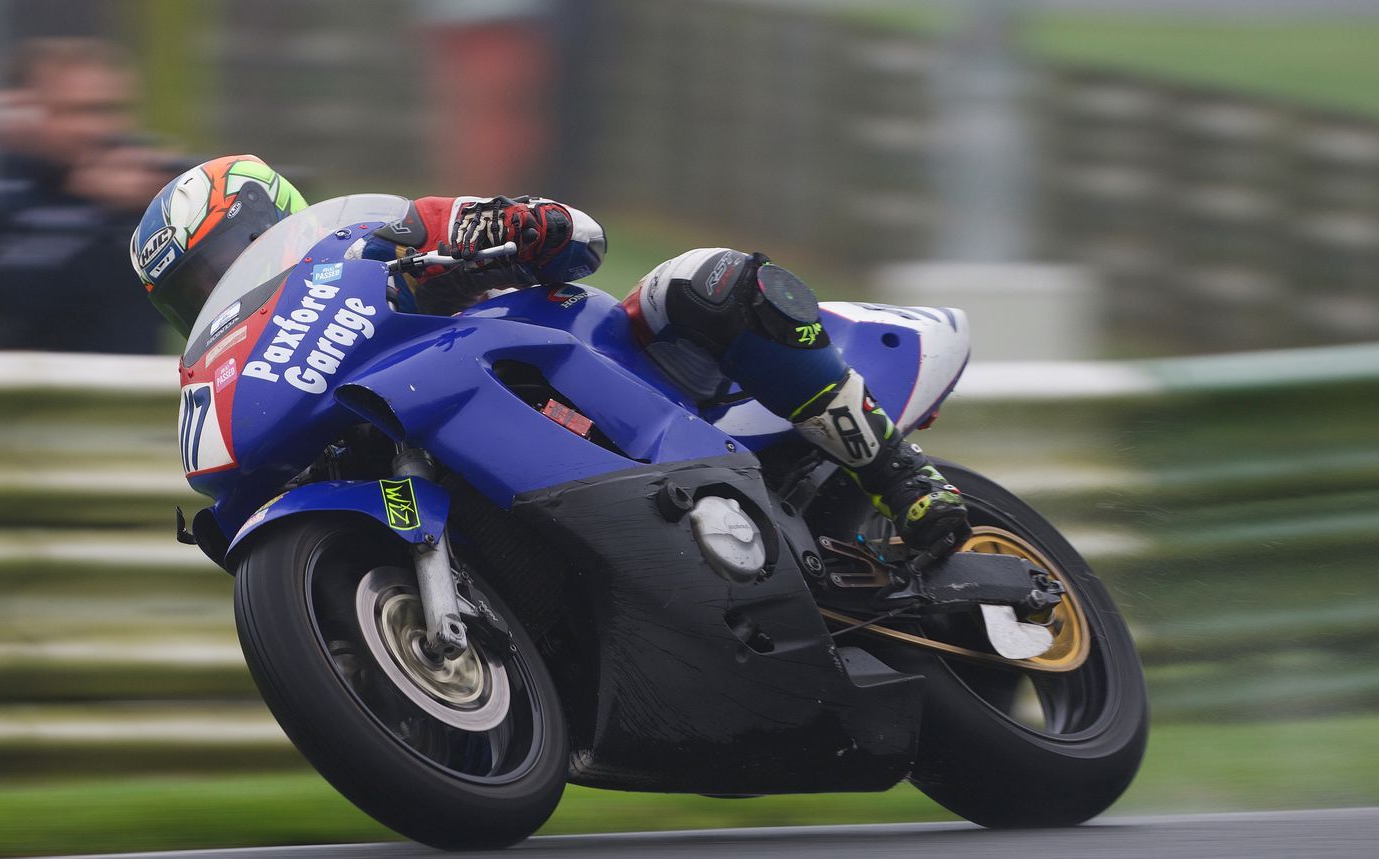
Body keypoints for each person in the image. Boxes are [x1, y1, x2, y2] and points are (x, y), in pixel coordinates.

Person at [128, 155, 972, 561]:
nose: (216, 291)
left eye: (219, 261)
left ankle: (903, 480)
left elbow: (581, 239)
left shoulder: (390, 238)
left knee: (703, 283)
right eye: (191, 292)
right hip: (482, 457)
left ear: (272, 220)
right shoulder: (277, 364)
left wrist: (520, 228)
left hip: (638, 380)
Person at [0, 38, 173, 353]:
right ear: (23, 112)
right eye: (75, 111)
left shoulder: (146, 193)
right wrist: (105, 216)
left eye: (112, 110)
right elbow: (18, 304)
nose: (97, 129)